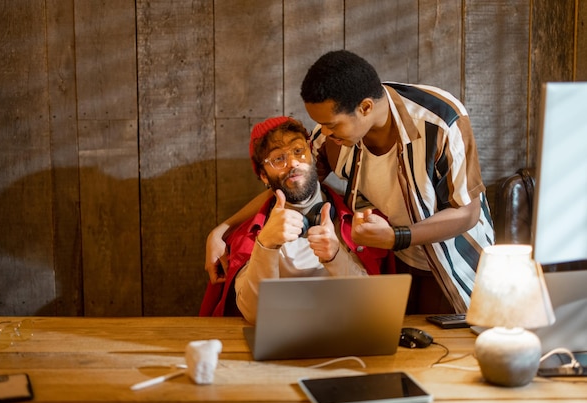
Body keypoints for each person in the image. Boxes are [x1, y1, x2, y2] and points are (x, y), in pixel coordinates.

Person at [205, 50, 495, 315]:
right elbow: (289, 187)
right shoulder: (335, 133)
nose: (322, 134)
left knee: (448, 349)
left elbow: (467, 213)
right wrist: (222, 229)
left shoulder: (441, 122)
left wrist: (397, 236)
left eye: (331, 124)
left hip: (452, 257)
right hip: (395, 261)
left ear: (366, 108)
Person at [199, 116, 394, 323]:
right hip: (278, 341)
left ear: (312, 155)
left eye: (298, 151)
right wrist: (265, 246)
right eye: (278, 158)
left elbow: (372, 304)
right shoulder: (250, 235)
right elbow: (255, 315)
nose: (292, 162)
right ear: (264, 176)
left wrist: (335, 257)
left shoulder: (357, 223)